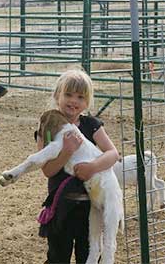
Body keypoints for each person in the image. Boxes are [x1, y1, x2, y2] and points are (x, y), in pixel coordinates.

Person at [35, 69, 119, 264]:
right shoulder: (46, 128)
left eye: (80, 97)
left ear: (87, 102)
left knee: (88, 254)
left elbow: (113, 153)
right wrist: (67, 152)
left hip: (90, 207)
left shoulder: (91, 125)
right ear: (57, 96)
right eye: (68, 94)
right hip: (60, 206)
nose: (74, 101)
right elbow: (48, 170)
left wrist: (93, 167)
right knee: (58, 256)